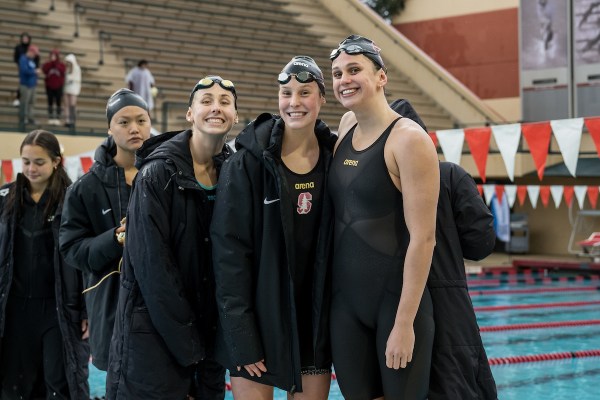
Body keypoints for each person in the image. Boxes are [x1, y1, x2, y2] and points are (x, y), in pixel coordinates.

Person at [211, 56, 336, 399]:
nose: (294, 102)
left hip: (311, 325)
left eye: (304, 92)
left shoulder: (334, 160)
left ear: (322, 98)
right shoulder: (247, 162)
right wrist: (241, 336)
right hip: (257, 323)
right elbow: (229, 254)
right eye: (286, 92)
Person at [355, 98, 498, 398]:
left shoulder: (373, 176)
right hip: (447, 303)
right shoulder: (450, 175)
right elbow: (481, 243)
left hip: (391, 303)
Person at [106, 75, 236, 399]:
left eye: (224, 102)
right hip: (153, 343)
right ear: (190, 114)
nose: (215, 108)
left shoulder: (235, 173)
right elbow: (153, 270)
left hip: (208, 346)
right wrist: (191, 346)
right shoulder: (157, 174)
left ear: (235, 115)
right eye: (206, 101)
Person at [328, 35, 439, 399]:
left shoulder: (408, 140)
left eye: (355, 70)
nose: (344, 79)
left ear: (381, 77)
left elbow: (424, 238)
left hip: (396, 304)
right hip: (346, 308)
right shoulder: (345, 126)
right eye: (338, 73)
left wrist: (405, 322)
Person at [59, 89, 151, 375]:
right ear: (109, 128)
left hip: (162, 309)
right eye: (123, 122)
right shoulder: (84, 189)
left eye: (141, 120)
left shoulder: (168, 175)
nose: (134, 128)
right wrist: (117, 238)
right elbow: (71, 250)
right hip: (112, 312)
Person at [0, 130, 90, 400]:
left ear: (56, 161)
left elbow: (86, 258)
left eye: (38, 162)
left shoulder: (74, 199)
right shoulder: (5, 198)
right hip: (14, 308)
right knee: (15, 385)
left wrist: (86, 308)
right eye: (26, 161)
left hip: (57, 309)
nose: (31, 168)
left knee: (59, 384)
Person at [12, 32, 39, 107]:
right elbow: (16, 58)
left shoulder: (31, 49)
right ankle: (18, 98)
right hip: (22, 67)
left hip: (30, 68)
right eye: (23, 38)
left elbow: (36, 59)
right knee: (22, 84)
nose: (25, 40)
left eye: (26, 38)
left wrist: (35, 69)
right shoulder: (19, 48)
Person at [42, 49, 66, 126]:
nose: (53, 57)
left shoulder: (61, 65)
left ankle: (58, 118)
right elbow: (45, 70)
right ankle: (51, 118)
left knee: (58, 103)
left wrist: (55, 63)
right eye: (52, 55)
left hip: (59, 87)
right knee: (50, 102)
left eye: (55, 55)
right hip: (49, 87)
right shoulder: (47, 64)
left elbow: (62, 71)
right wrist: (52, 63)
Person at [18, 44, 40, 127]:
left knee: (32, 102)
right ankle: (23, 118)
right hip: (25, 85)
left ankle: (30, 118)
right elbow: (24, 70)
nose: (34, 56)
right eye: (34, 54)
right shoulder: (23, 58)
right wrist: (34, 72)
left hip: (32, 85)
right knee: (25, 102)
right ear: (30, 51)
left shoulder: (32, 60)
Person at [63, 53, 81, 128]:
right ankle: (67, 120)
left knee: (72, 105)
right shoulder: (66, 68)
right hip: (66, 88)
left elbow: (77, 79)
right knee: (66, 105)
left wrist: (70, 80)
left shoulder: (77, 68)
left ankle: (73, 120)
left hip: (73, 89)